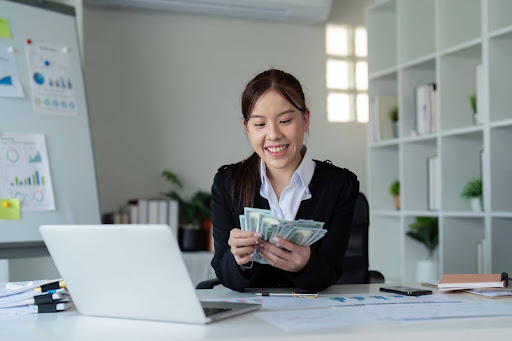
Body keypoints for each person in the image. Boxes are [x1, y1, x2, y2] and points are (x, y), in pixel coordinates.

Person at [211, 69, 359, 292]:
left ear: (306, 119)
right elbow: (223, 273)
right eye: (259, 124)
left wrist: (305, 265)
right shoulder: (227, 183)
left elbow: (331, 271)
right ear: (247, 128)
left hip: (314, 315)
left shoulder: (340, 185)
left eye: (285, 120)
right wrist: (239, 260)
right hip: (250, 317)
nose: (273, 135)